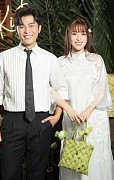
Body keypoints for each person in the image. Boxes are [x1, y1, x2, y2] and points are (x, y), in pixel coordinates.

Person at [0, 6, 75, 180]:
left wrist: (57, 116)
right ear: (16, 29)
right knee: (9, 174)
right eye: (21, 26)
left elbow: (61, 89)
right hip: (12, 122)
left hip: (41, 122)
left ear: (39, 28)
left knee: (36, 174)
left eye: (31, 25)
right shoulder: (4, 57)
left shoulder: (50, 59)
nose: (27, 31)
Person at [58, 18, 114, 180]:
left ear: (88, 36)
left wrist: (88, 111)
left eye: (82, 33)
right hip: (72, 118)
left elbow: (102, 90)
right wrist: (69, 110)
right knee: (73, 161)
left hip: (95, 119)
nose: (78, 38)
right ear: (68, 36)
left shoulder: (96, 60)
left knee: (95, 162)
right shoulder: (60, 63)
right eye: (74, 33)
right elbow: (53, 92)